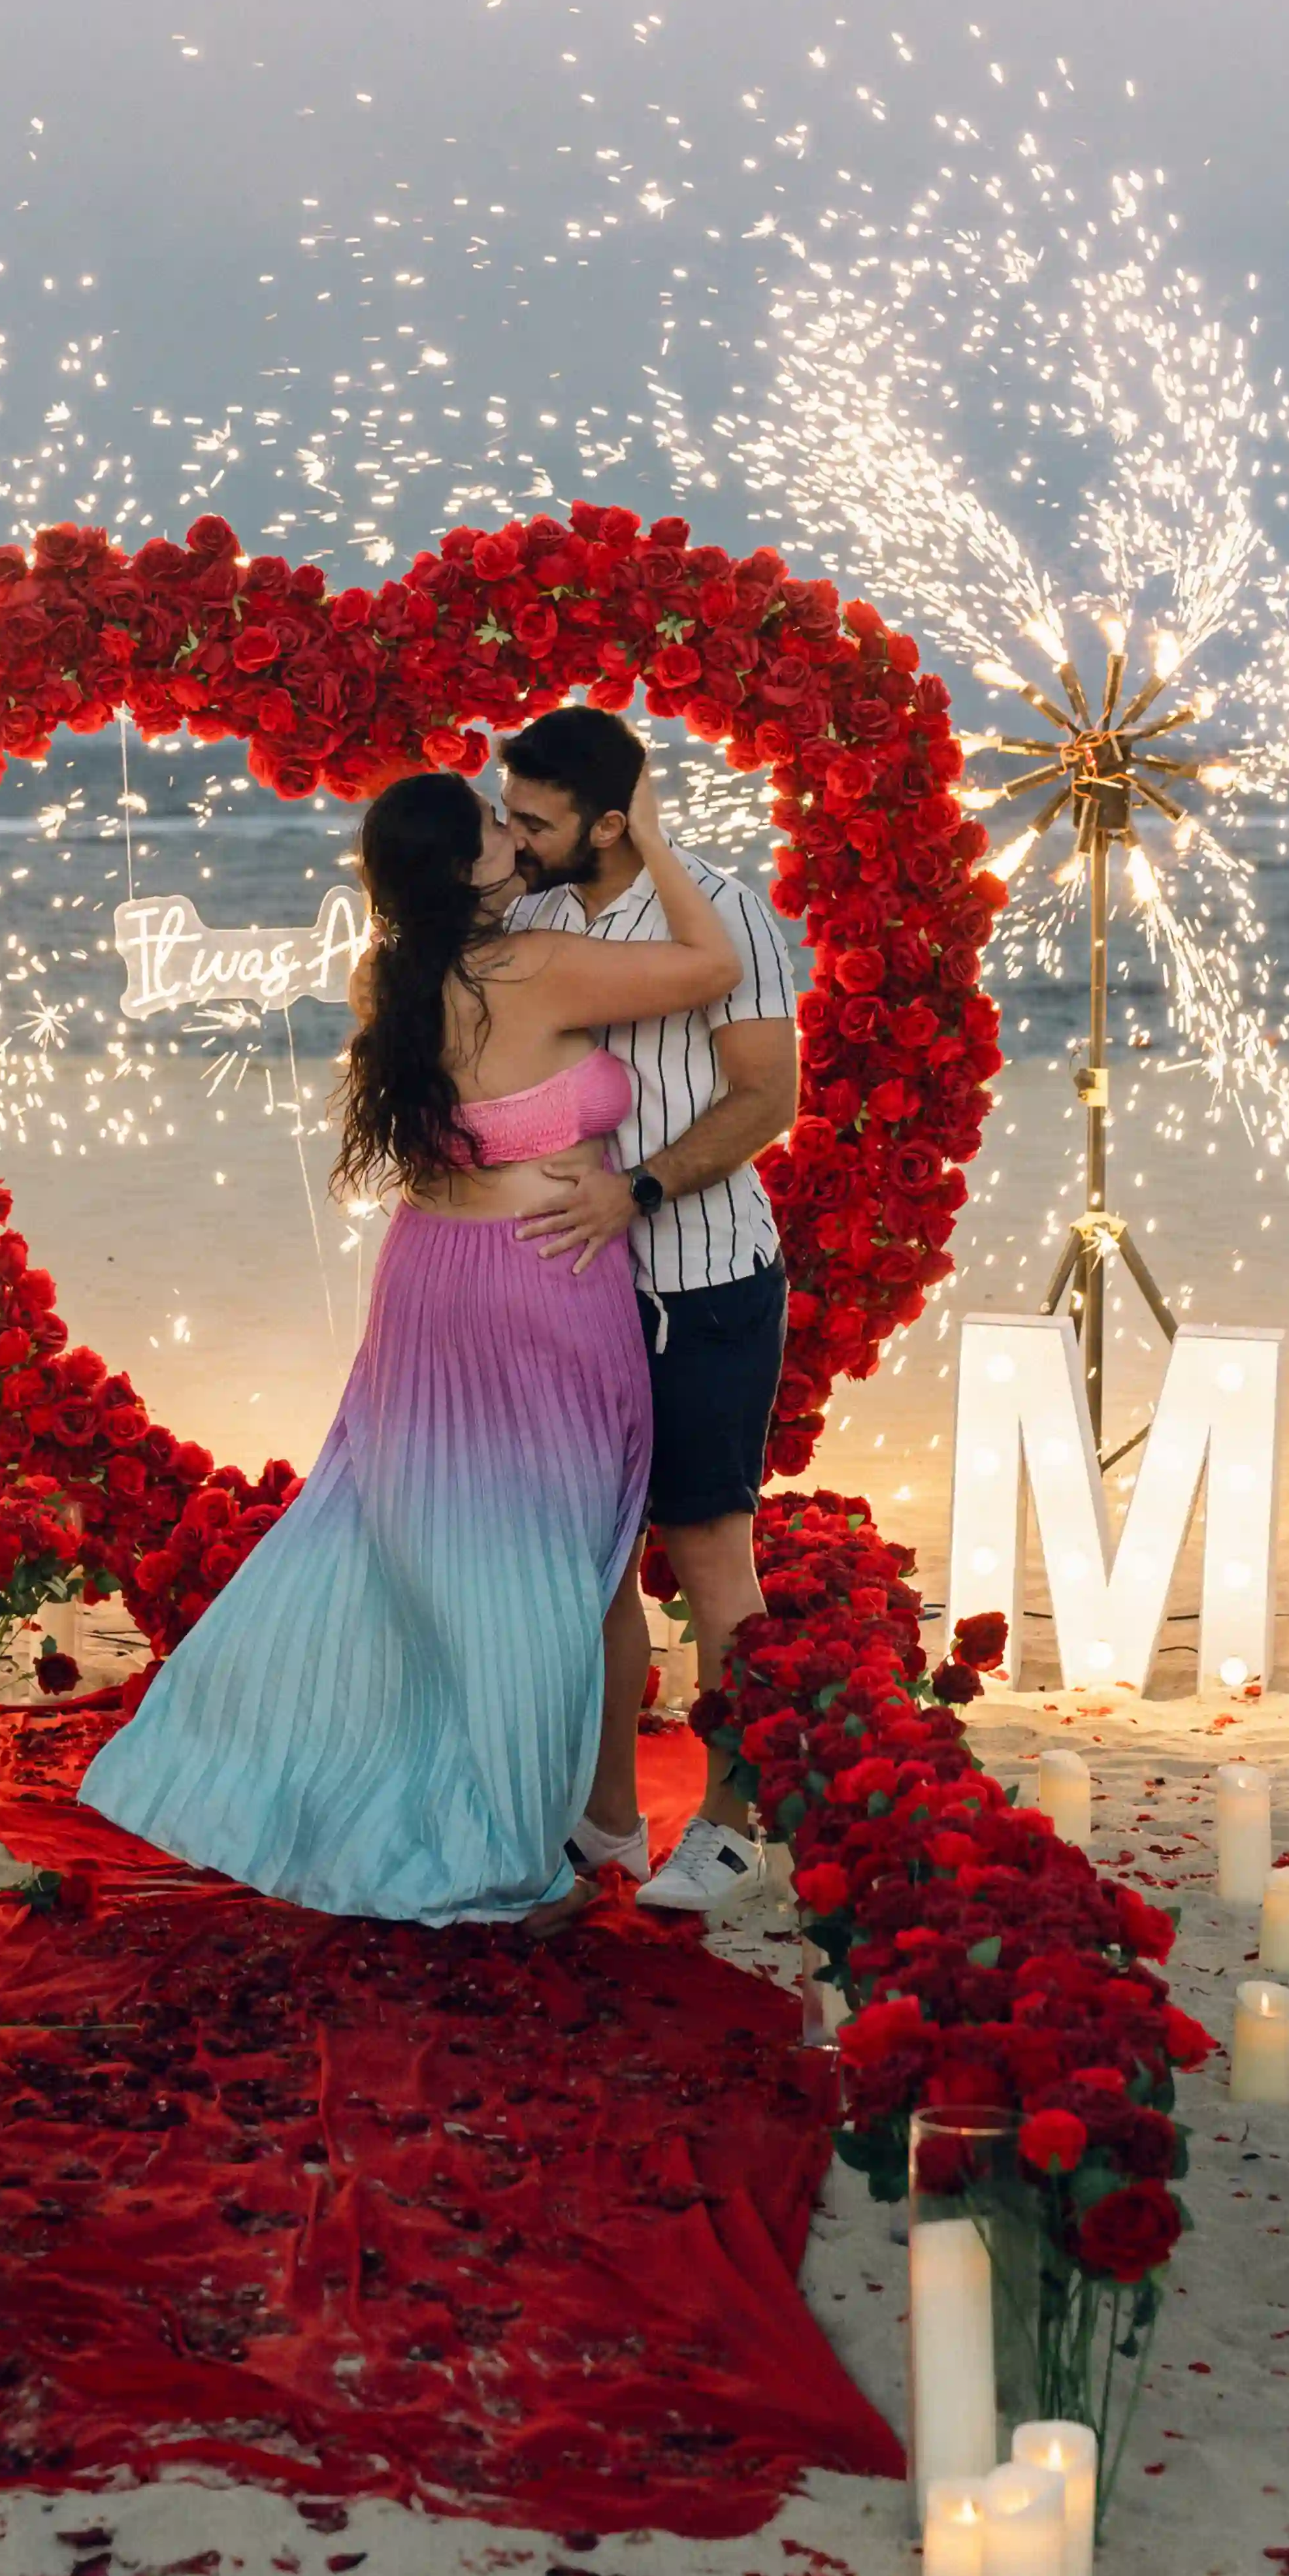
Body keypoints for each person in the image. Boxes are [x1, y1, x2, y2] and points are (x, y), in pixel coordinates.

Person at [78, 756, 740, 1924]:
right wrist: (646, 831)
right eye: (494, 830)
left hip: (430, 1279)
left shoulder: (382, 973)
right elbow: (713, 966)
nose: (514, 838)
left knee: (422, 1544)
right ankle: (512, 1843)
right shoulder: (534, 965)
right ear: (461, 871)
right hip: (540, 1284)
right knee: (545, 1565)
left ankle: (561, 1813)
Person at [499, 708, 801, 1922]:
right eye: (507, 815)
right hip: (568, 1292)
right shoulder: (528, 917)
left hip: (701, 1281)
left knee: (709, 1552)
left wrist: (639, 1189)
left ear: (611, 823)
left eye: (535, 819)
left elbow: (767, 1096)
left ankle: (730, 1828)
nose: (514, 837)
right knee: (593, 1561)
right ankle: (608, 1816)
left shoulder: (721, 910)